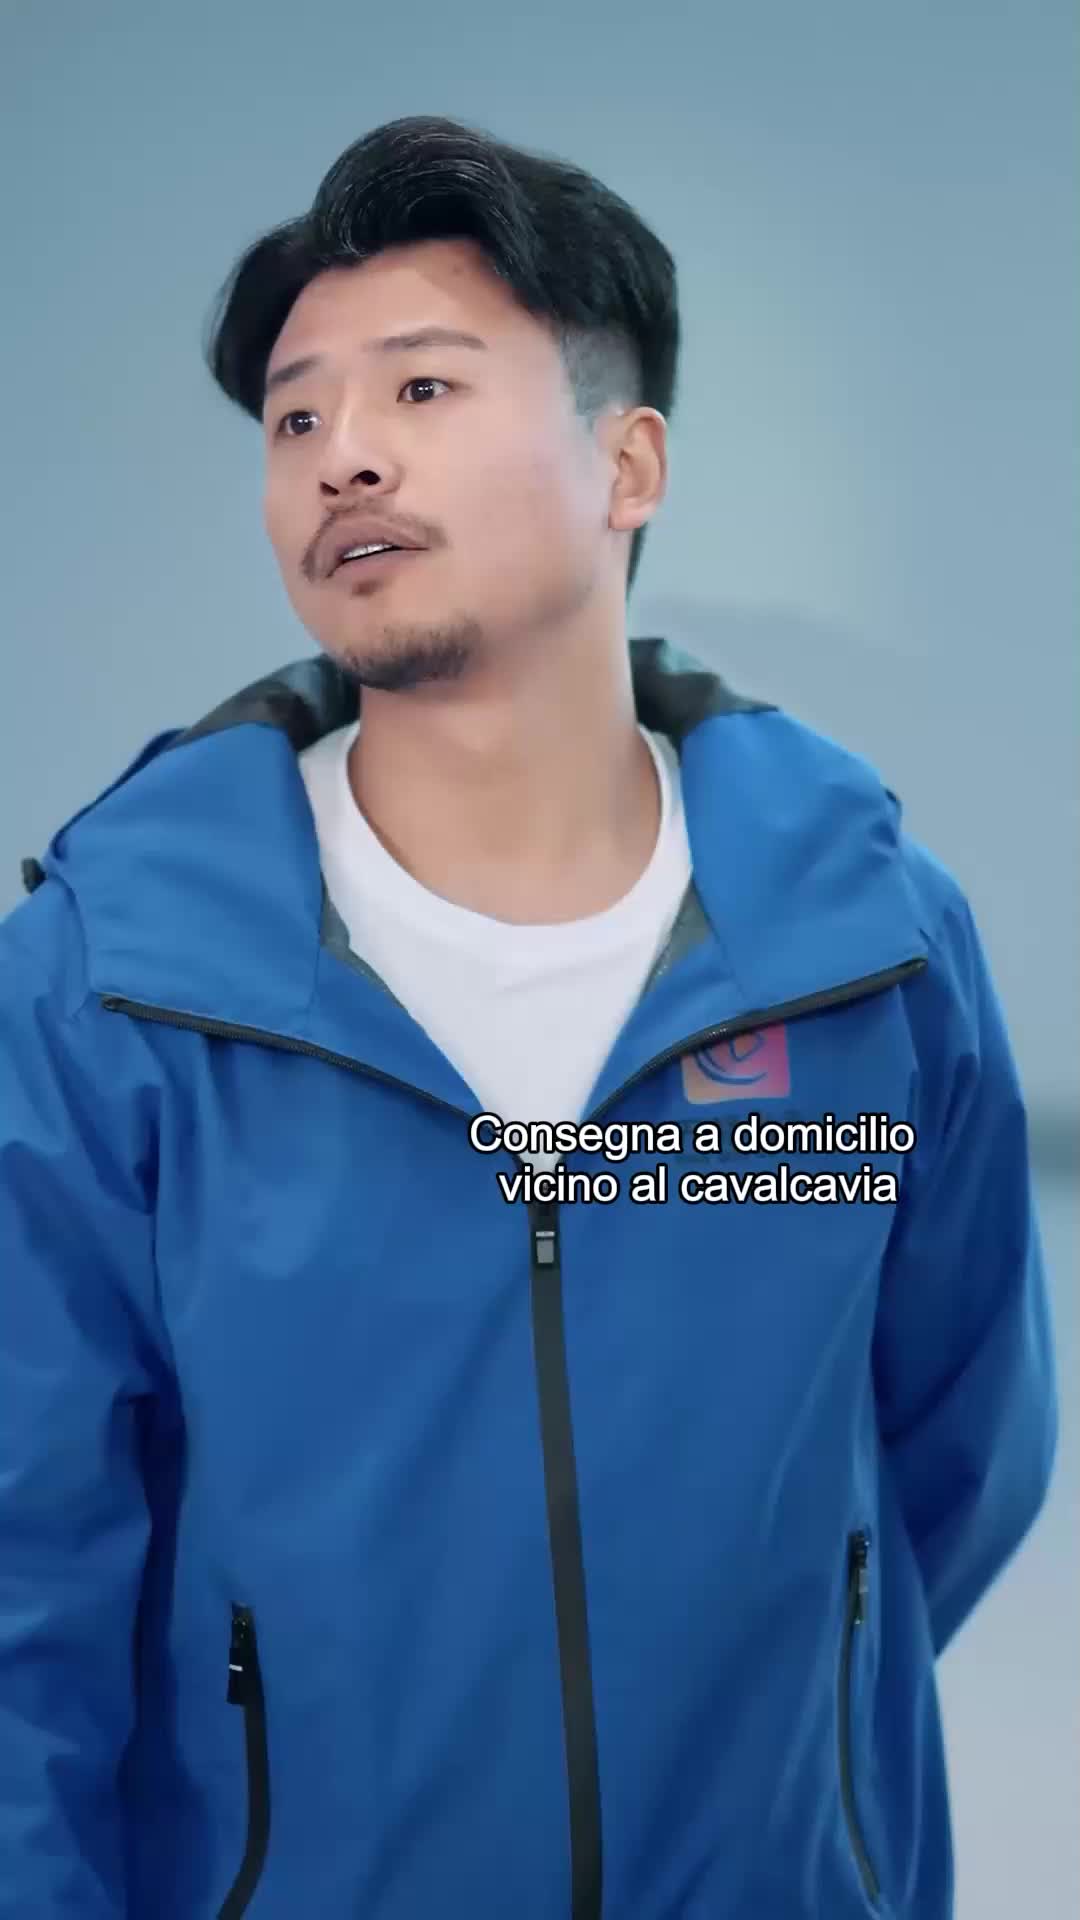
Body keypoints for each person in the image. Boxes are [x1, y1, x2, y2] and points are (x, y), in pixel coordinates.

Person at [0, 113, 1057, 1920]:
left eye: (421, 389)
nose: (342, 458)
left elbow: (957, 1454)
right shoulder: (112, 984)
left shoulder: (868, 950)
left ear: (627, 462)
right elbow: (27, 1580)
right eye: (296, 421)